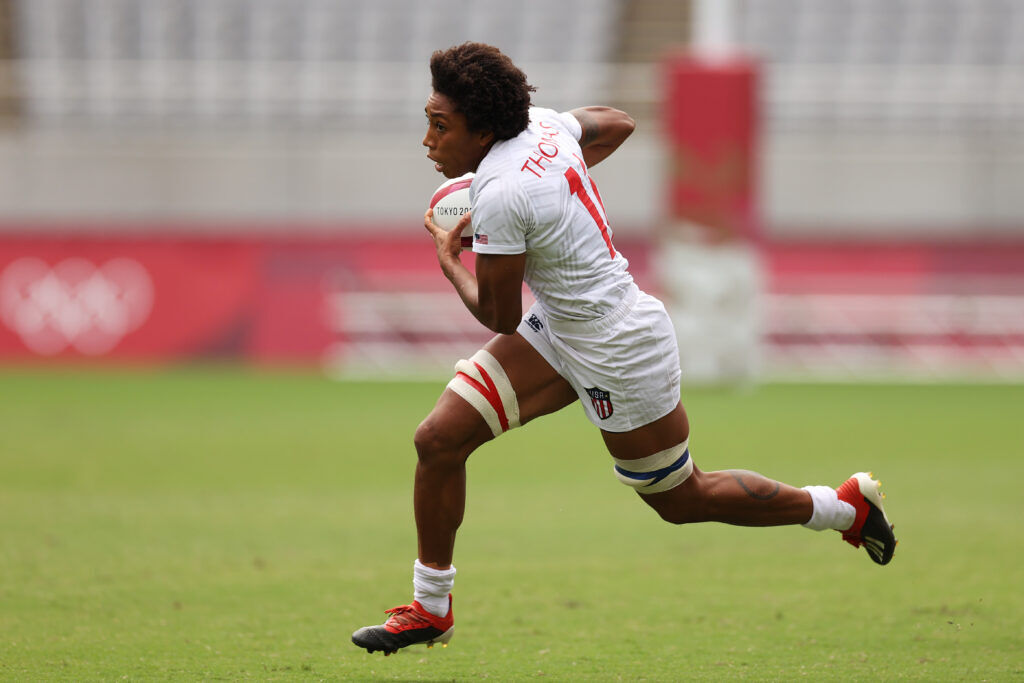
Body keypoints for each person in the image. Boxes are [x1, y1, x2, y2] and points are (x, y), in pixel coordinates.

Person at [351, 42, 897, 656]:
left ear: (482, 132)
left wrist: (452, 260)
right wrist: (558, 183)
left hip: (620, 346)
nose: (427, 139)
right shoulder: (540, 127)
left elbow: (500, 316)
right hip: (562, 326)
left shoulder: (503, 193)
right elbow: (618, 122)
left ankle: (841, 508)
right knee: (438, 440)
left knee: (682, 499)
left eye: (440, 125)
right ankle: (432, 608)